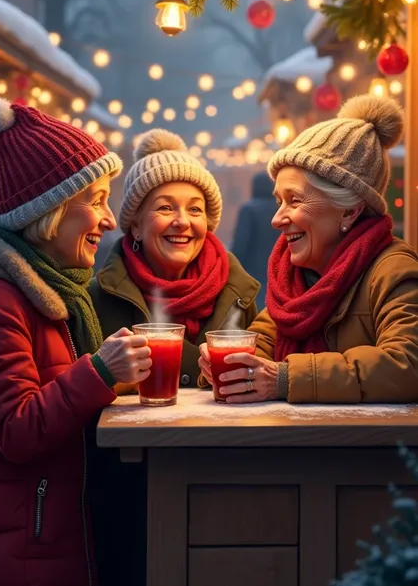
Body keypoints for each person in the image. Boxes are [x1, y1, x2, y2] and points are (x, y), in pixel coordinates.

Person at [0, 99, 152, 586]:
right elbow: (17, 429)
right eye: (96, 200)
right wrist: (101, 371)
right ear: (52, 210)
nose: (108, 219)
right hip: (8, 556)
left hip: (39, 540)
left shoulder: (50, 288)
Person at [90, 128, 259, 586]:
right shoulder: (96, 295)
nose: (183, 221)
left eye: (196, 209)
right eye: (165, 207)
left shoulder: (241, 295)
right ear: (135, 225)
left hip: (226, 488)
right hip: (132, 496)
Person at [199, 94, 418, 404]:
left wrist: (285, 379)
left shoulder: (393, 269)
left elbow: (408, 365)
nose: (276, 219)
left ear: (349, 209)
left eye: (295, 200)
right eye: (279, 201)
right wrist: (229, 364)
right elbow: (262, 343)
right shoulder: (295, 275)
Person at [231, 170, 279, 308]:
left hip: (252, 271)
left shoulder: (249, 209)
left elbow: (240, 243)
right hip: (277, 269)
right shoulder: (280, 209)